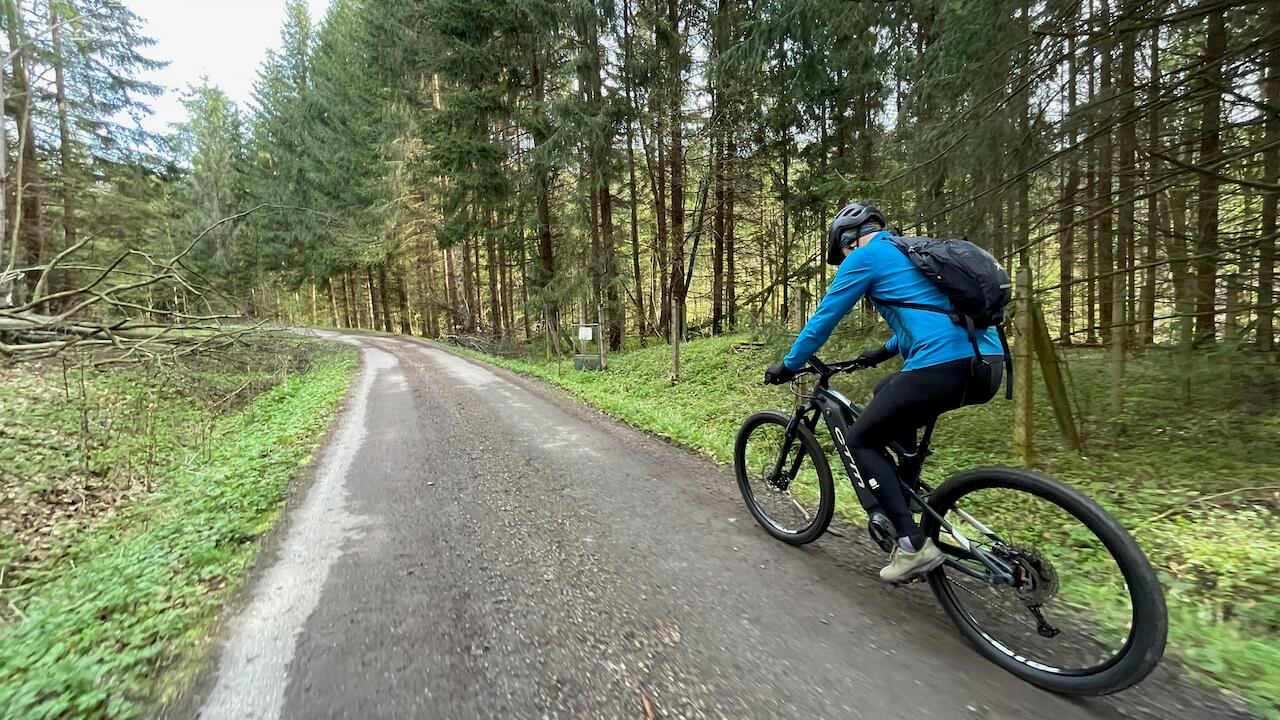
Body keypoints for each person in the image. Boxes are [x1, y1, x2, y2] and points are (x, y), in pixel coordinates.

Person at [764, 203, 1005, 583]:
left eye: (842, 253)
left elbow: (824, 318)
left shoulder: (866, 257)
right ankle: (903, 491)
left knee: (861, 439)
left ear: (848, 241)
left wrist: (790, 364)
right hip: (987, 364)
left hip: (942, 366)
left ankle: (912, 545)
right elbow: (934, 314)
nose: (844, 260)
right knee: (885, 390)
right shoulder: (912, 250)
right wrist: (882, 351)